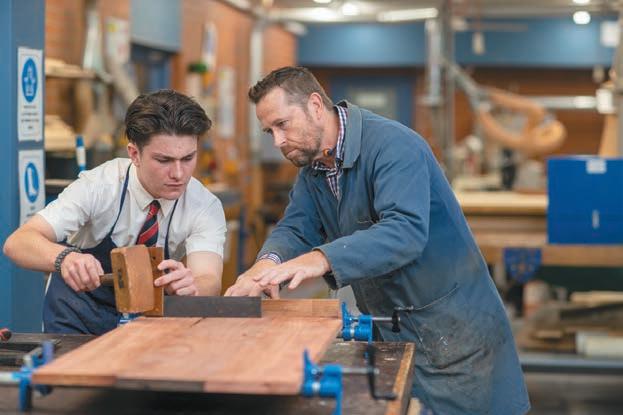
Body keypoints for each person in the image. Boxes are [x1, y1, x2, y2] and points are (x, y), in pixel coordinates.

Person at [225, 66, 530, 414]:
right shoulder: (315, 168)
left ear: (315, 105)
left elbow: (404, 231)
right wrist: (265, 267)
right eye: (270, 131)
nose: (278, 141)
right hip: (396, 325)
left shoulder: (394, 146)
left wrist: (320, 259)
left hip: (453, 329)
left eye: (283, 124)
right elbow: (296, 226)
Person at [3, 89, 226, 335]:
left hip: (147, 323)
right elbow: (18, 242)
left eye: (188, 158)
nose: (178, 174)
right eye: (164, 160)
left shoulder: (204, 206)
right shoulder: (99, 186)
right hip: (75, 321)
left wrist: (192, 287)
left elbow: (209, 278)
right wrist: (64, 258)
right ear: (134, 154)